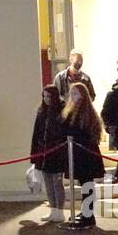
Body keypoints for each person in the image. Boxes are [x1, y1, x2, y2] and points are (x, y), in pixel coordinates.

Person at [53, 81, 105, 227]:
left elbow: (83, 132)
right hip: (77, 152)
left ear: (82, 95)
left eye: (75, 93)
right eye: (71, 93)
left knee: (87, 184)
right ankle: (86, 212)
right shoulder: (72, 109)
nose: (72, 96)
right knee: (84, 184)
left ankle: (88, 216)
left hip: (84, 154)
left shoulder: (85, 112)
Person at [30, 84, 65, 222]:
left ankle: (59, 211)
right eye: (44, 96)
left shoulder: (61, 110)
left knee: (57, 183)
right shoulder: (41, 112)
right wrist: (34, 155)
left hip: (56, 152)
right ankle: (53, 210)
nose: (46, 99)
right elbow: (36, 133)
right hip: (44, 152)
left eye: (49, 96)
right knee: (48, 183)